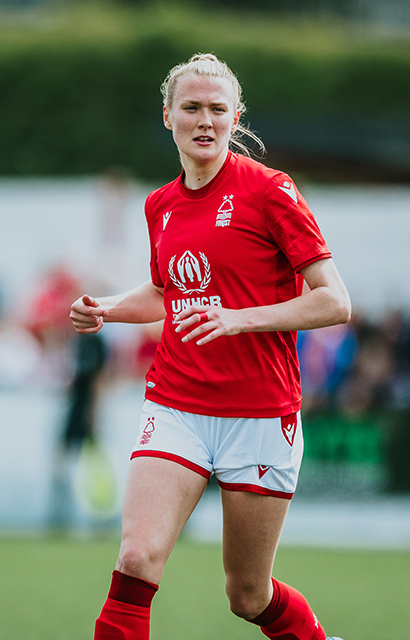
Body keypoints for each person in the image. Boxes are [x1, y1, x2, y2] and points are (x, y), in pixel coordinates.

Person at [70, 54, 350, 640]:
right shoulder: (160, 205)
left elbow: (334, 302)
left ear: (236, 116)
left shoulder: (271, 191)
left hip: (260, 414)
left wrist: (238, 319)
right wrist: (108, 310)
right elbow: (167, 291)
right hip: (176, 405)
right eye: (191, 108)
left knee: (247, 595)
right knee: (136, 560)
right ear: (168, 116)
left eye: (217, 110)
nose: (205, 120)